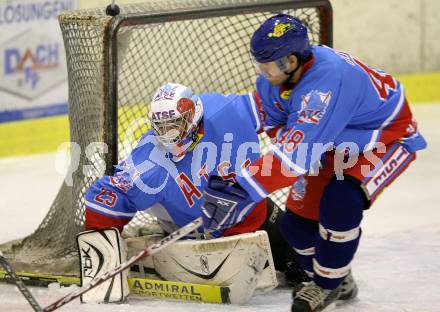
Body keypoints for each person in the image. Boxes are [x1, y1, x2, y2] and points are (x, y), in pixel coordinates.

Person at [201, 14, 427, 312]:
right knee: (295, 227)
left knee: (341, 200)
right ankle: (336, 274)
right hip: (331, 141)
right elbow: (271, 122)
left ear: (291, 61)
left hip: (384, 138)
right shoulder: (274, 79)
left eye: (267, 64)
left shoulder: (325, 83)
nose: (262, 71)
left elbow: (294, 156)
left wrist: (243, 188)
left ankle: (326, 284)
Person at [83, 82, 305, 283]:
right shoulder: (151, 162)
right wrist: (101, 252)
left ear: (194, 114)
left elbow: (270, 107)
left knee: (304, 265)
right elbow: (108, 195)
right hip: (205, 243)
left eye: (176, 124)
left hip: (256, 215)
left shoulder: (224, 111)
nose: (169, 134)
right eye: (162, 126)